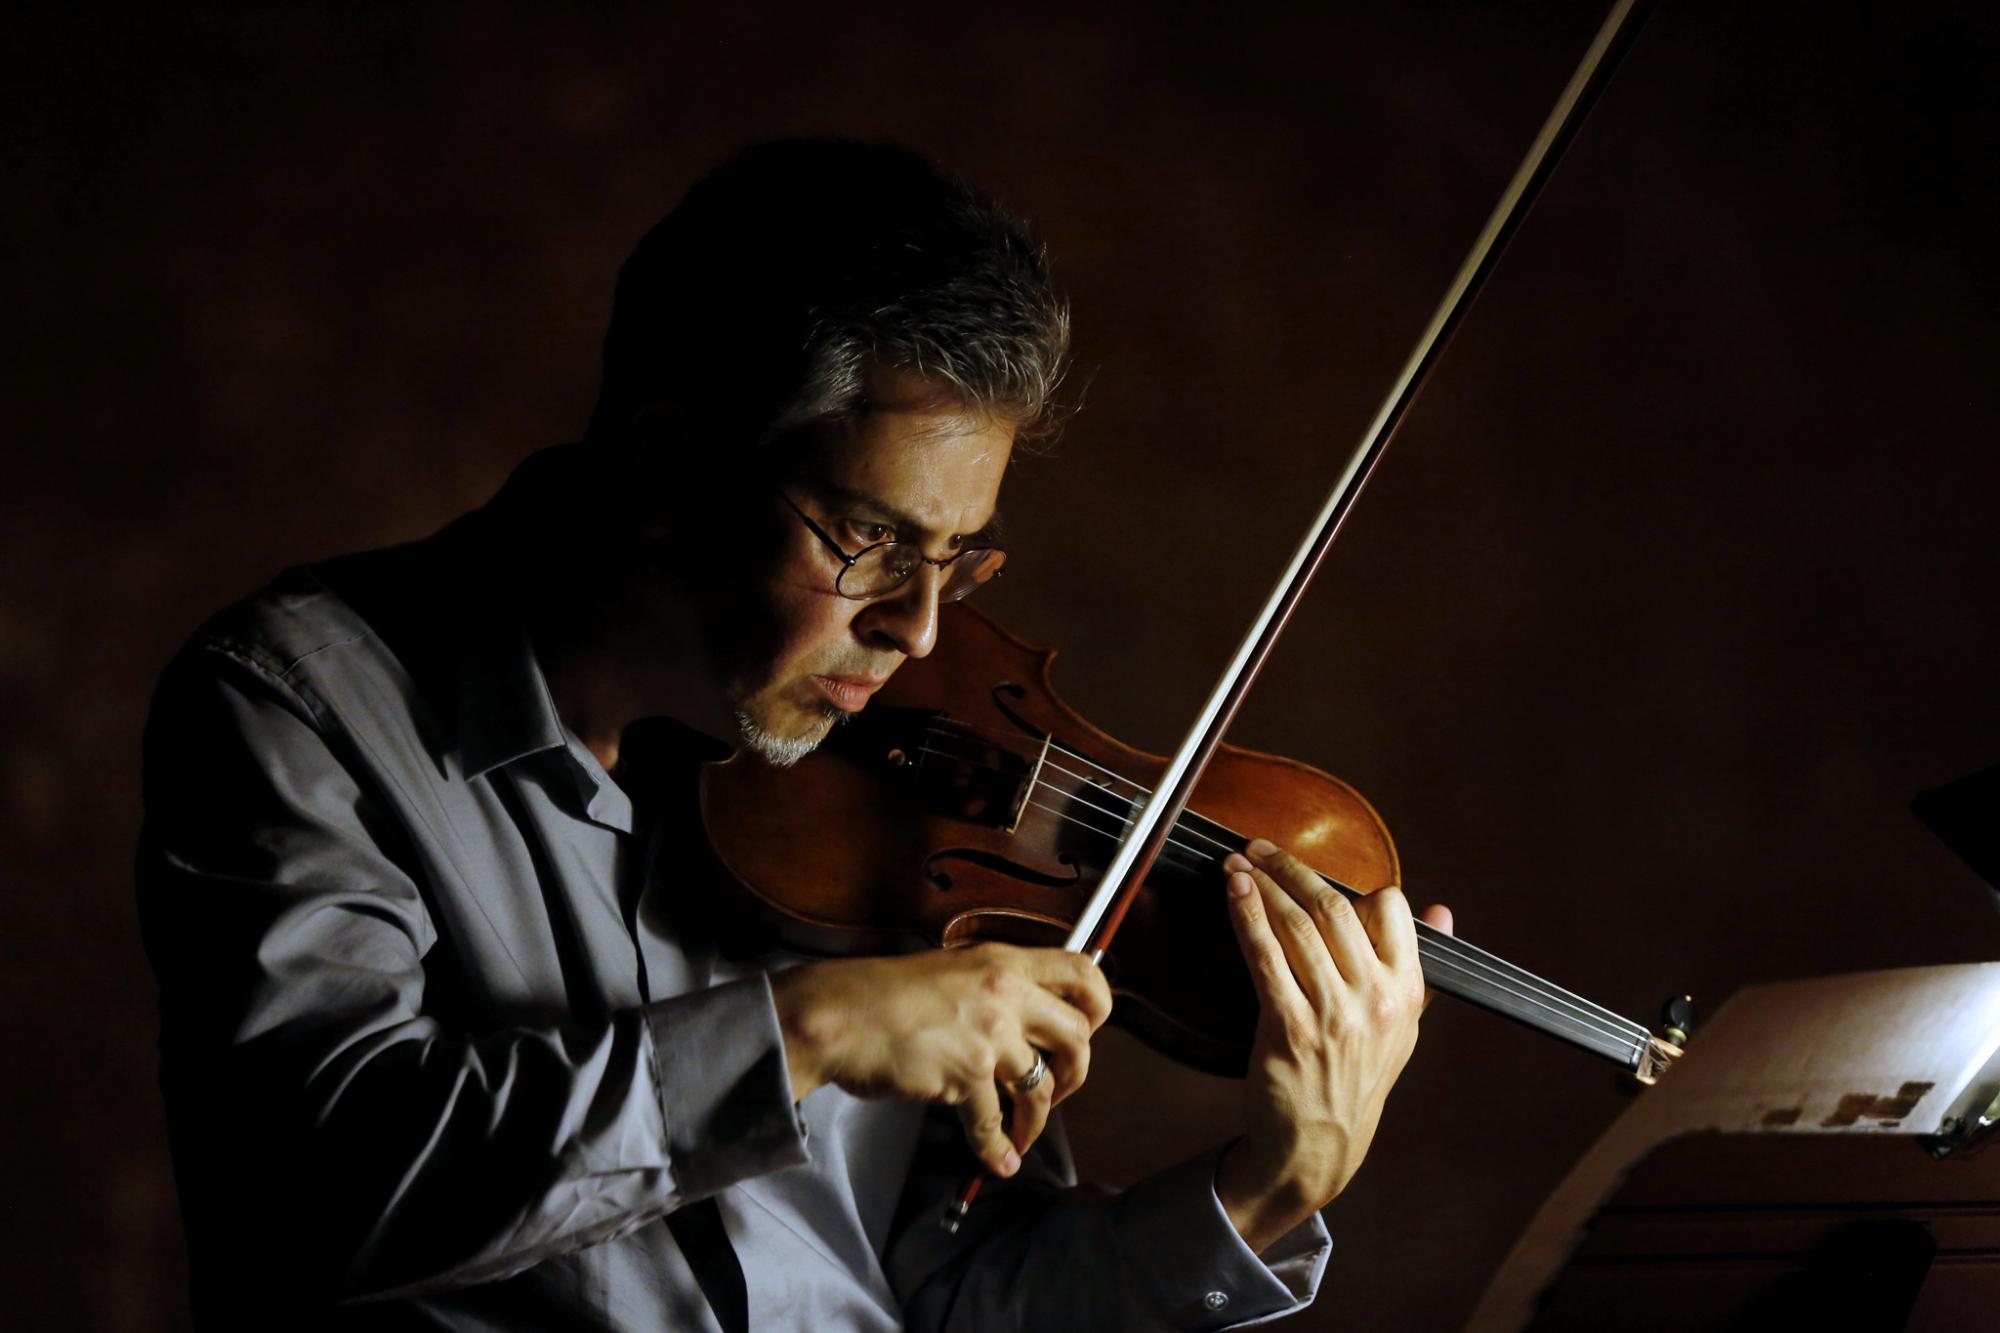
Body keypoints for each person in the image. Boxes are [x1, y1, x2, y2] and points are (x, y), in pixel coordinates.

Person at [137, 138, 1451, 1330]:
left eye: (960, 560)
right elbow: (315, 1190)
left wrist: (1267, 1190)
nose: (922, 632)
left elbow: (937, 1294)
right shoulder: (301, 706)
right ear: (668, 473)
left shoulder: (891, 800)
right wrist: (802, 1034)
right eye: (871, 540)